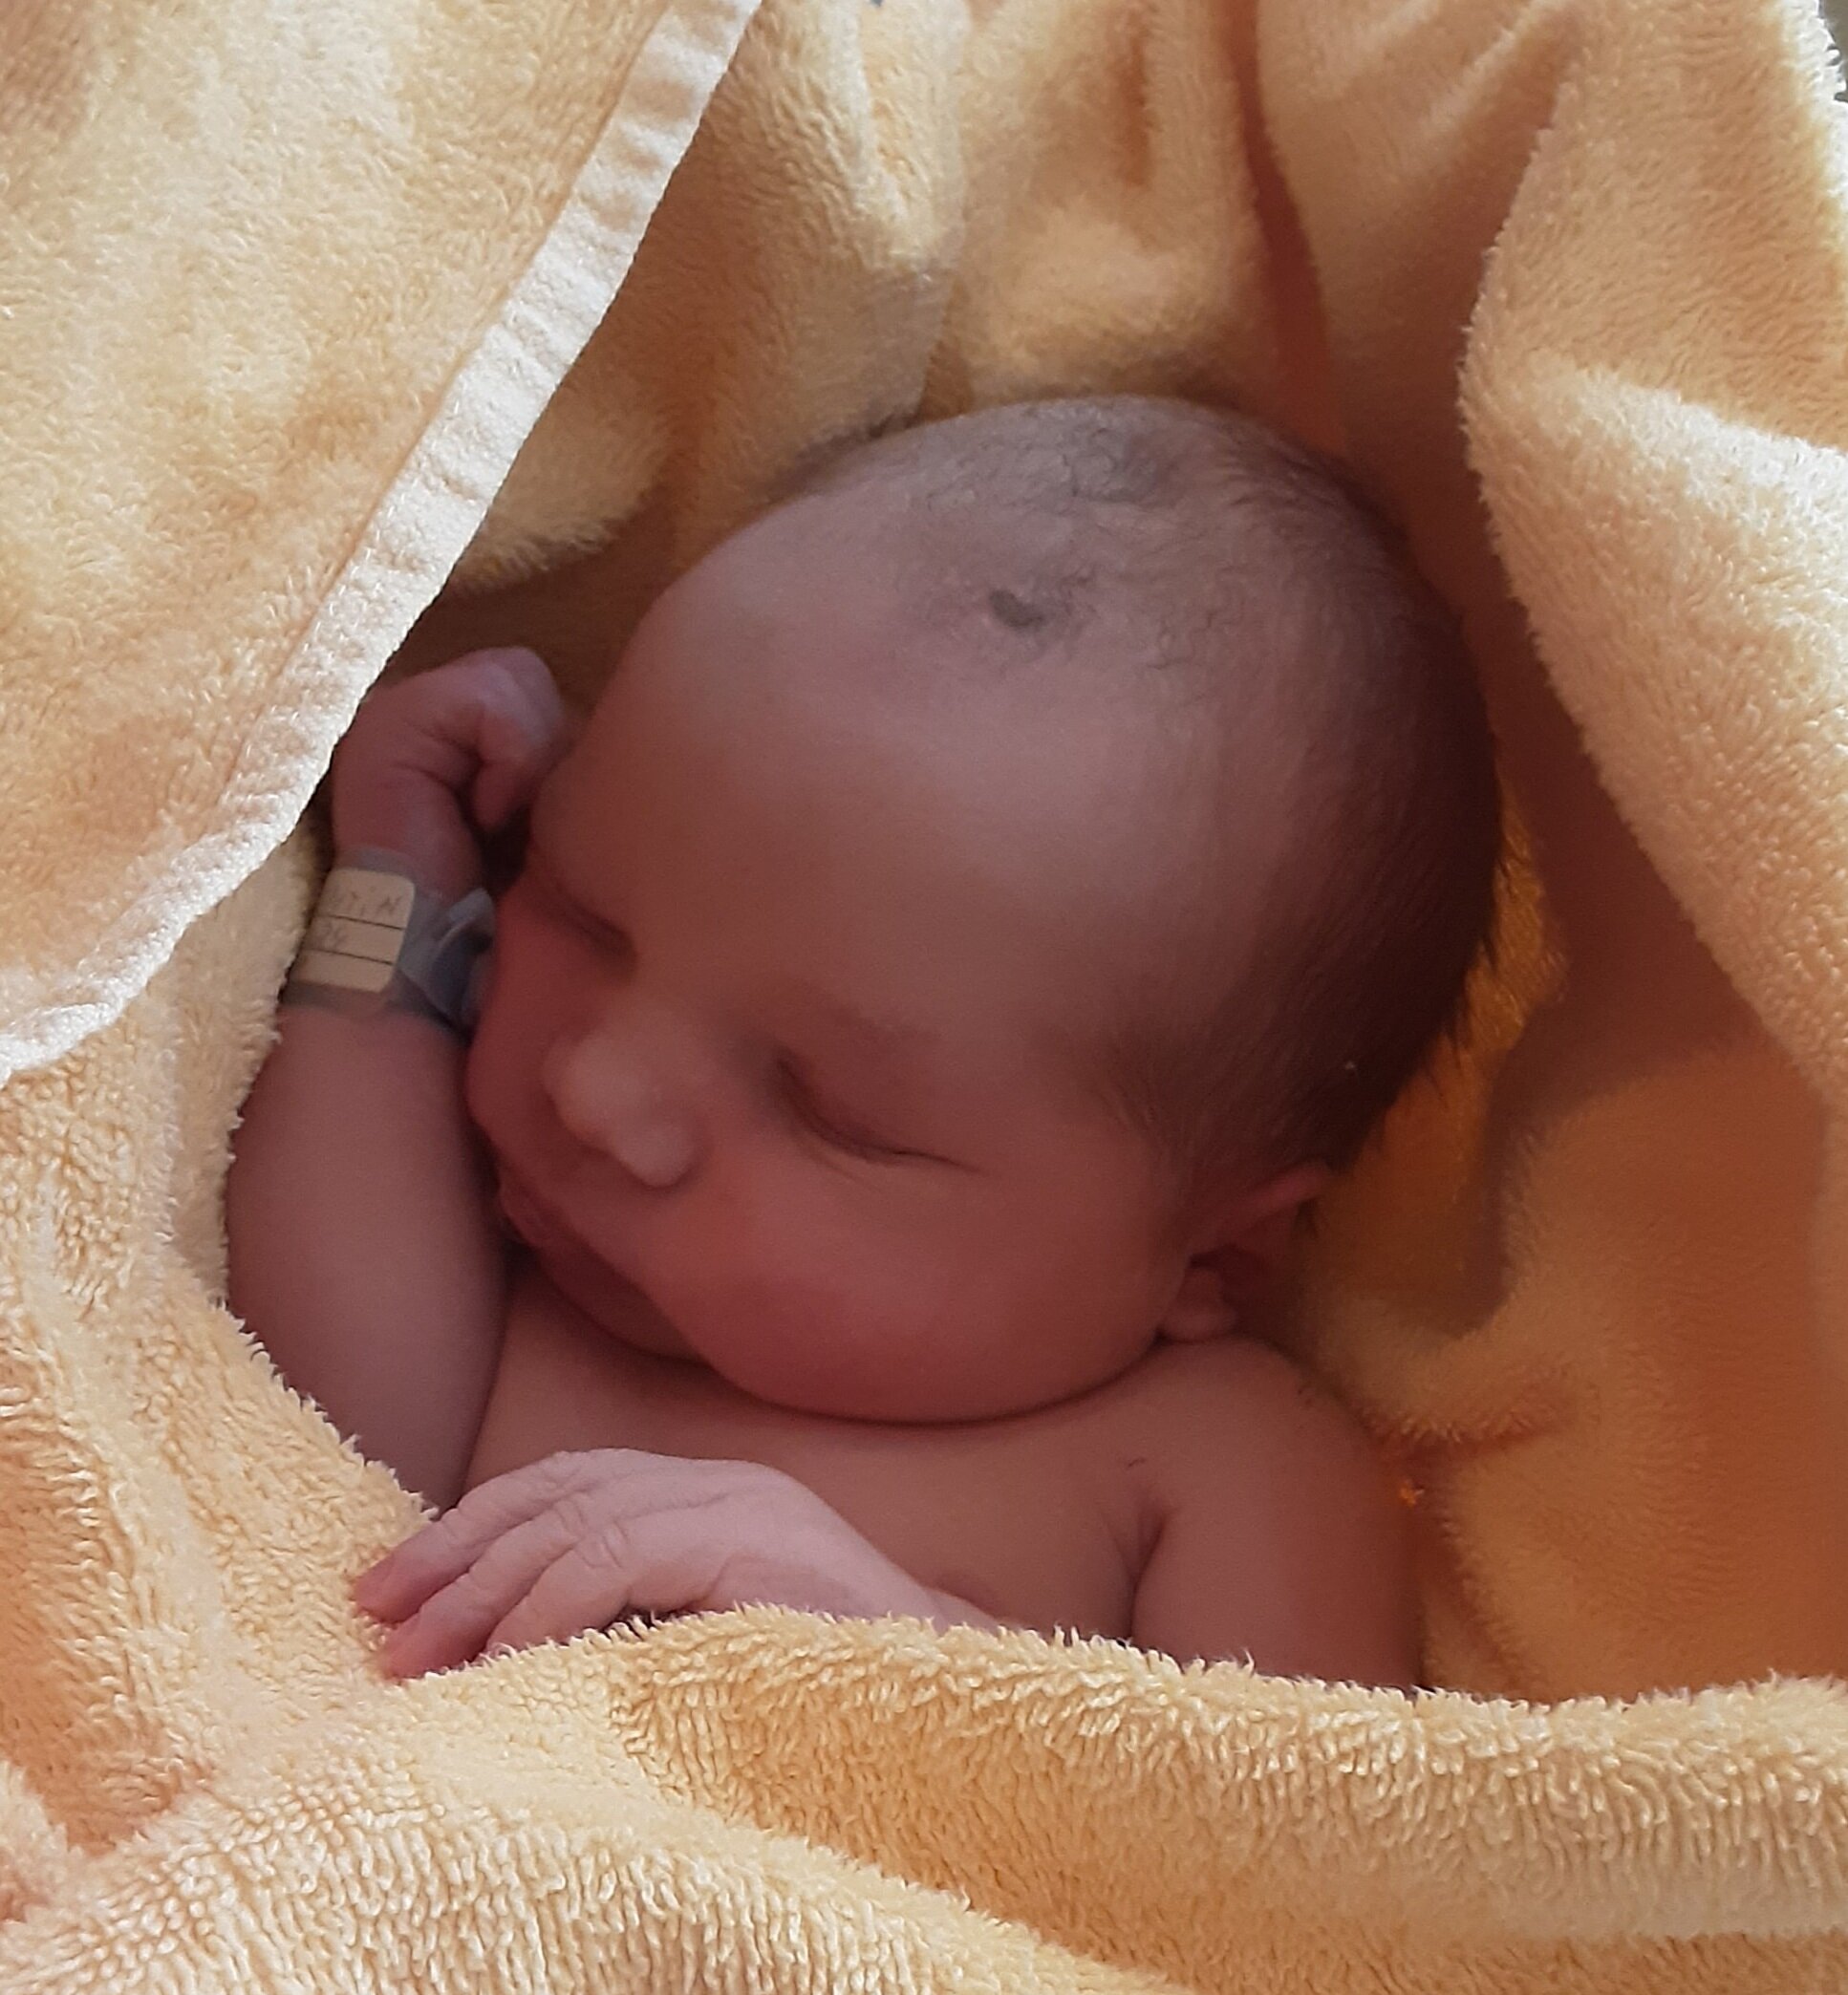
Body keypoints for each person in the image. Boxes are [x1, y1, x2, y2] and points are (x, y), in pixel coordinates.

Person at [226, 397, 1498, 1688]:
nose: (595, 1090)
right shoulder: (502, 1243)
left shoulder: (1219, 1459)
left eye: (825, 1105)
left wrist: (894, 1640)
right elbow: (295, 1437)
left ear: (1212, 1256)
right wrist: (397, 898)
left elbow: (1273, 1804)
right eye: (576, 906)